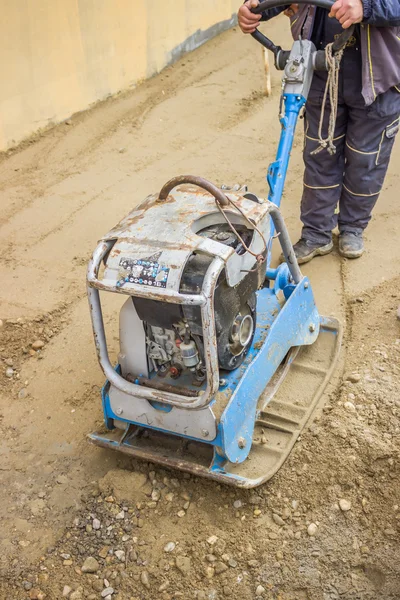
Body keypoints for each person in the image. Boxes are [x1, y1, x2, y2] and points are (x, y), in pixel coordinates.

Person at [238, 0, 400, 263]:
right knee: (319, 156)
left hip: (379, 78)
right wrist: (254, 8)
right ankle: (316, 233)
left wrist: (365, 8)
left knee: (367, 160)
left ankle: (352, 227)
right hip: (320, 69)